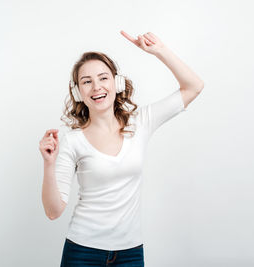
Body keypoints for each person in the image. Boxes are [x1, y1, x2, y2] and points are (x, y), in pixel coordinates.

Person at [39, 31, 204, 266]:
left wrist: (159, 51)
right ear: (78, 92)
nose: (96, 87)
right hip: (82, 251)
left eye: (103, 78)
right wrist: (48, 164)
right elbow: (53, 211)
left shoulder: (141, 122)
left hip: (130, 252)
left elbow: (194, 87)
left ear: (116, 83)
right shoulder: (72, 141)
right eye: (87, 81)